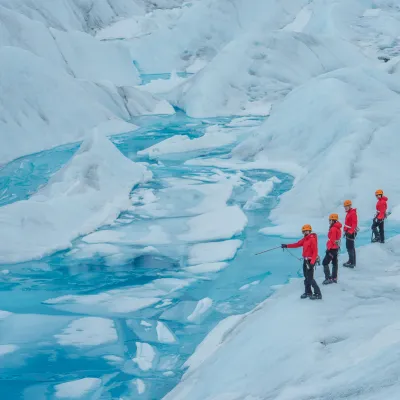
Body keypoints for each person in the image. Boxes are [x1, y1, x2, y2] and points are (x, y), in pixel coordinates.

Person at [281, 224, 322, 300]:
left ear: (309, 231)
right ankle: (308, 292)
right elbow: (297, 244)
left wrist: (312, 263)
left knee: (310, 278)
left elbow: (315, 252)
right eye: (304, 231)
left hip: (310, 261)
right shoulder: (305, 239)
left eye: (307, 231)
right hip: (305, 260)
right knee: (306, 277)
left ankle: (318, 294)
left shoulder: (312, 239)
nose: (305, 232)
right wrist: (286, 245)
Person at [322, 214, 342, 284]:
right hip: (336, 248)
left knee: (325, 263)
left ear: (333, 220)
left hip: (332, 249)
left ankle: (328, 278)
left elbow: (332, 239)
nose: (329, 221)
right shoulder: (337, 228)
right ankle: (334, 277)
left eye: (330, 220)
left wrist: (329, 249)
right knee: (334, 263)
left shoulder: (333, 229)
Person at [343, 200, 357, 268]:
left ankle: (352, 262)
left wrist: (350, 232)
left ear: (350, 206)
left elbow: (354, 223)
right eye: (345, 206)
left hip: (350, 232)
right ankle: (351, 260)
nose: (345, 208)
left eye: (346, 206)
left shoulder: (352, 213)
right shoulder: (349, 213)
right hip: (348, 231)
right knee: (349, 247)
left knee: (350, 247)